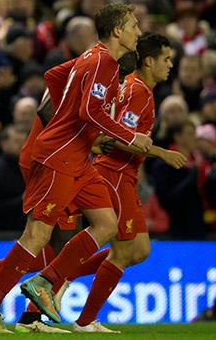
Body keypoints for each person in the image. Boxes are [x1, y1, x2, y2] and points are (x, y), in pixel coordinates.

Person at [0, 3, 152, 333]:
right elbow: (90, 111)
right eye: (133, 26)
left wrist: (62, 116)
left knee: (107, 224)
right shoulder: (103, 62)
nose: (138, 32)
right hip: (60, 157)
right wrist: (128, 135)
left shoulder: (90, 56)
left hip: (78, 159)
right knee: (37, 235)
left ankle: (45, 281)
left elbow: (54, 76)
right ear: (117, 31)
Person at [68, 32, 187, 332]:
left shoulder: (136, 88)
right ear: (148, 61)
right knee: (122, 252)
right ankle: (82, 316)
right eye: (166, 59)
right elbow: (120, 136)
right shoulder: (139, 92)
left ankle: (61, 277)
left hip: (125, 175)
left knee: (140, 249)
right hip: (114, 173)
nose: (170, 65)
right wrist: (161, 152)